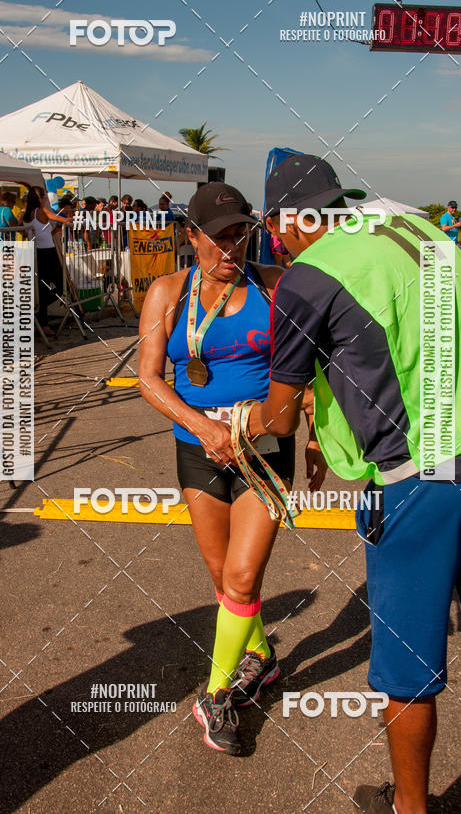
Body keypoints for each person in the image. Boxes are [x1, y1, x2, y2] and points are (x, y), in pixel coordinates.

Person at [236, 154, 461, 814]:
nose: (279, 245)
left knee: (407, 670)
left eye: (276, 231)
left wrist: (235, 422)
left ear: (285, 221)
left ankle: (410, 807)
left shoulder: (310, 275)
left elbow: (278, 417)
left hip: (420, 481)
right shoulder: (423, 232)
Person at [138, 182, 325, 755]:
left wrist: (316, 437)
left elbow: (309, 368)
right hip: (199, 450)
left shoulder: (276, 285)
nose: (231, 247)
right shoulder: (168, 292)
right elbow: (149, 378)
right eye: (218, 237)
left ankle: (215, 695)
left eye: (240, 234)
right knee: (224, 580)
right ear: (191, 235)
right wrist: (203, 427)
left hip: (263, 449)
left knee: (243, 577)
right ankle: (261, 656)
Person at [23, 185, 73, 337]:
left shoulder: (25, 215)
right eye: (43, 196)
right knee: (60, 287)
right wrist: (72, 216)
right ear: (38, 198)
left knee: (43, 288)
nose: (45, 198)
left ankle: (43, 321)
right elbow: (65, 220)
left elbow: (38, 234)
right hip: (47, 253)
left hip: (36, 252)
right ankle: (41, 314)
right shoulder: (42, 211)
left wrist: (56, 230)